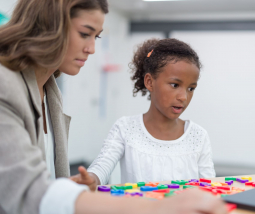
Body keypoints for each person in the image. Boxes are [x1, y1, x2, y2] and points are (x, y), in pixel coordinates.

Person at [0, 0, 228, 214]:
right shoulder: (5, 86)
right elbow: (26, 190)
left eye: (96, 37)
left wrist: (62, 187)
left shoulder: (52, 93)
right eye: (84, 34)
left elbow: (42, 182)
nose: (91, 49)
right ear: (49, 26)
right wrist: (160, 209)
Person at [71, 38, 215, 188]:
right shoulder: (125, 128)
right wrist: (92, 178)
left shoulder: (198, 136)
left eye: (191, 88)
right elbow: (102, 166)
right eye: (175, 85)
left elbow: (210, 186)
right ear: (149, 82)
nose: (183, 97)